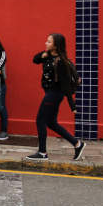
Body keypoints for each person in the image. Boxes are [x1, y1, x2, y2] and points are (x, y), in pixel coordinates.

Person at [27, 33, 87, 161]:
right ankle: (77, 144)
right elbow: (35, 60)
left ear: (56, 45)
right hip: (50, 93)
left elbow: (66, 85)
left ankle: (42, 152)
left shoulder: (60, 62)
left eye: (49, 42)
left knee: (40, 121)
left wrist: (72, 105)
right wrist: (43, 54)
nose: (46, 43)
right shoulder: (48, 56)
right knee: (52, 123)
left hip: (54, 94)